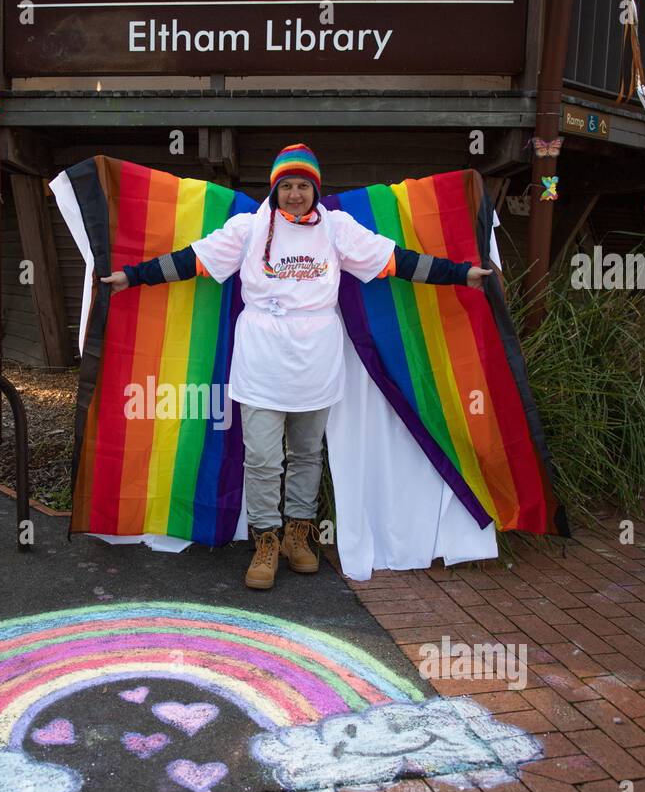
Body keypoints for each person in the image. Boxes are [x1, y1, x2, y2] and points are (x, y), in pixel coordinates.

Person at [100, 143, 492, 590]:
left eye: (302, 185)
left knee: (306, 455)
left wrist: (461, 274)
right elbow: (193, 259)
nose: (294, 194)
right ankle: (265, 542)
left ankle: (298, 537)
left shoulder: (337, 228)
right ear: (275, 188)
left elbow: (395, 260)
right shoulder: (248, 229)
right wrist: (133, 276)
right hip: (261, 360)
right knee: (263, 459)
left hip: (316, 362)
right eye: (286, 185)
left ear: (315, 189)